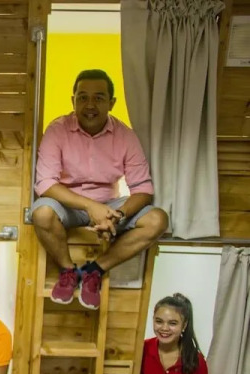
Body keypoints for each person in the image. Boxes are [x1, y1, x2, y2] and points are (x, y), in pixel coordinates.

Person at [32, 69, 169, 310]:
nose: (90, 105)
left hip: (110, 206)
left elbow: (143, 189)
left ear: (111, 103)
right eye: (83, 97)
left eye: (98, 98)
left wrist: (118, 215)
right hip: (68, 205)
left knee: (158, 220)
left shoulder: (126, 135)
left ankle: (94, 271)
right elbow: (45, 184)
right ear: (73, 100)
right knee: (41, 213)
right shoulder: (57, 130)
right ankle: (68, 271)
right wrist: (90, 207)